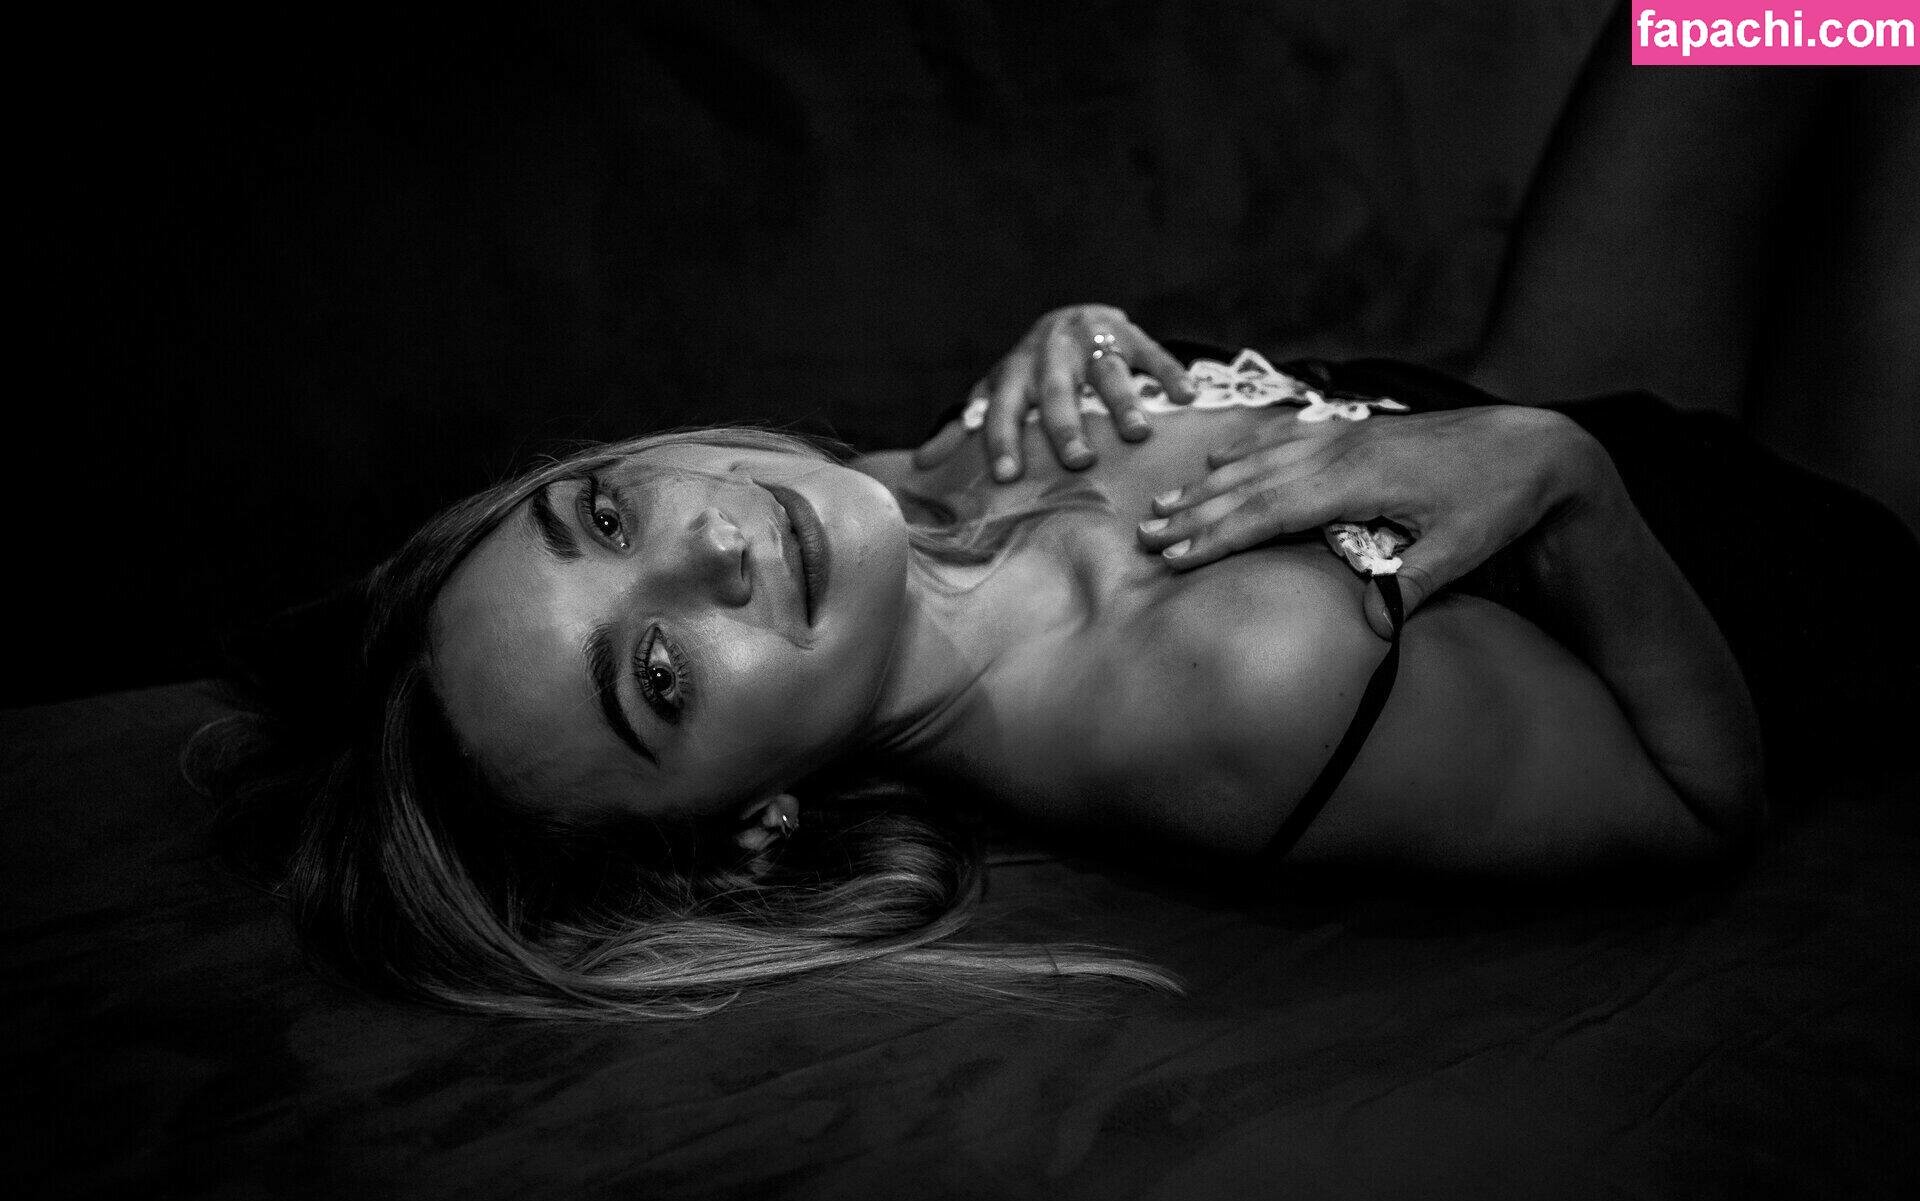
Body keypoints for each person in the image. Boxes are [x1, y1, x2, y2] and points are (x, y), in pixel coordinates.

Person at [191, 304, 1918, 1020]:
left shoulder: (893, 503)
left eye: (603, 508)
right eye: (660, 678)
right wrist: (1564, 478)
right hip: (1812, 577)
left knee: (1737, 30)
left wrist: (1104, 337)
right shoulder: (1242, 689)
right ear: (751, 825)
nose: (709, 543)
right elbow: (1704, 799)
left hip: (1551, 376)